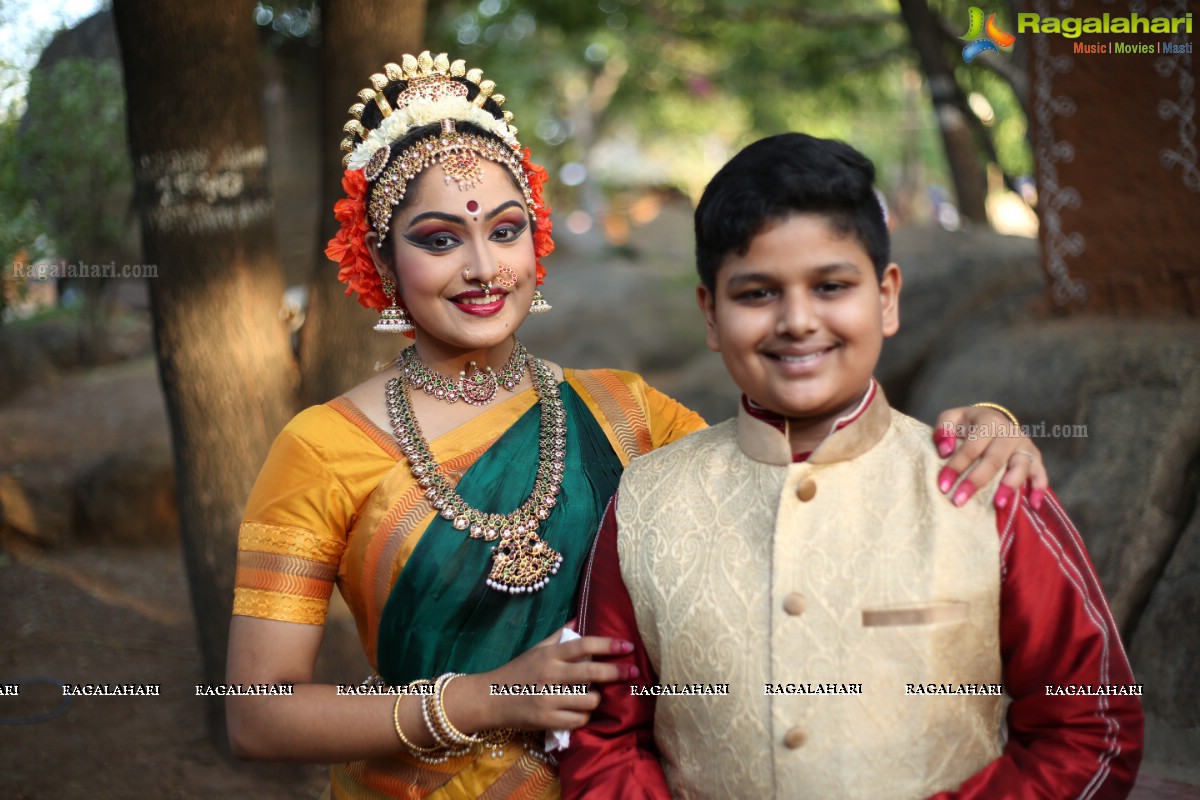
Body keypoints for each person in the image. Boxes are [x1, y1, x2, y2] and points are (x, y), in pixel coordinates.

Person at [224, 53, 1053, 800]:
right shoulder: (321, 448)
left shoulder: (626, 411)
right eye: (440, 240)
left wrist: (981, 426)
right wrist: (488, 695)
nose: (483, 268)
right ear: (380, 256)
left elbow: (796, 466)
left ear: (534, 242)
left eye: (505, 230)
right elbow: (259, 716)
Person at [558, 133, 1144, 799]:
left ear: (887, 297)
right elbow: (603, 739)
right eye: (756, 294)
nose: (798, 320)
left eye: (831, 286)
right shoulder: (646, 502)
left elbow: (1090, 724)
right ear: (711, 315)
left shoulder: (985, 485)